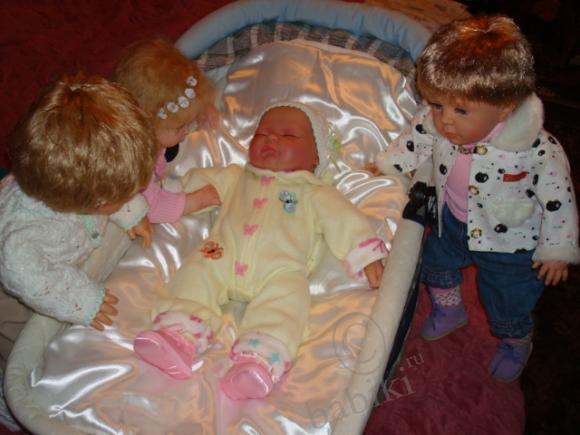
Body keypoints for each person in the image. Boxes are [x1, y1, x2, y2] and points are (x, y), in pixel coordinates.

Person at [368, 15, 579, 382]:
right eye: (437, 105)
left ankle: (516, 339)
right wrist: (390, 164)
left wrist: (557, 249)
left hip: (510, 242)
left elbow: (559, 199)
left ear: (505, 107)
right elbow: (416, 138)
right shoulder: (437, 120)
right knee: (435, 265)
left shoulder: (537, 150)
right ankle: (451, 310)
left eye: (460, 111)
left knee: (506, 298)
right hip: (453, 220)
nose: (445, 121)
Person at [133, 102, 387, 400]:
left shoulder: (315, 193)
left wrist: (367, 255)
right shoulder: (236, 177)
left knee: (286, 304)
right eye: (261, 134)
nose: (271, 139)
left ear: (316, 156)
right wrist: (165, 192)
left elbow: (344, 220)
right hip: (219, 254)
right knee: (196, 274)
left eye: (288, 136)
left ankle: (259, 360)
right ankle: (177, 335)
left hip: (279, 269)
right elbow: (193, 184)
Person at [0, 73, 158, 426]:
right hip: (11, 288)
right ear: (88, 202)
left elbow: (113, 190)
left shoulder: (79, 184)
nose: (129, 197)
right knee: (20, 341)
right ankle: (8, 389)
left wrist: (132, 213)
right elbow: (25, 275)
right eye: (122, 197)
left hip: (52, 249)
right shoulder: (25, 239)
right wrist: (83, 300)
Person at [114, 37, 220, 224]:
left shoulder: (152, 126)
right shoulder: (136, 162)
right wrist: (194, 201)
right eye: (180, 127)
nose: (187, 131)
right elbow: (150, 208)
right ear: (147, 124)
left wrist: (202, 107)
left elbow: (180, 107)